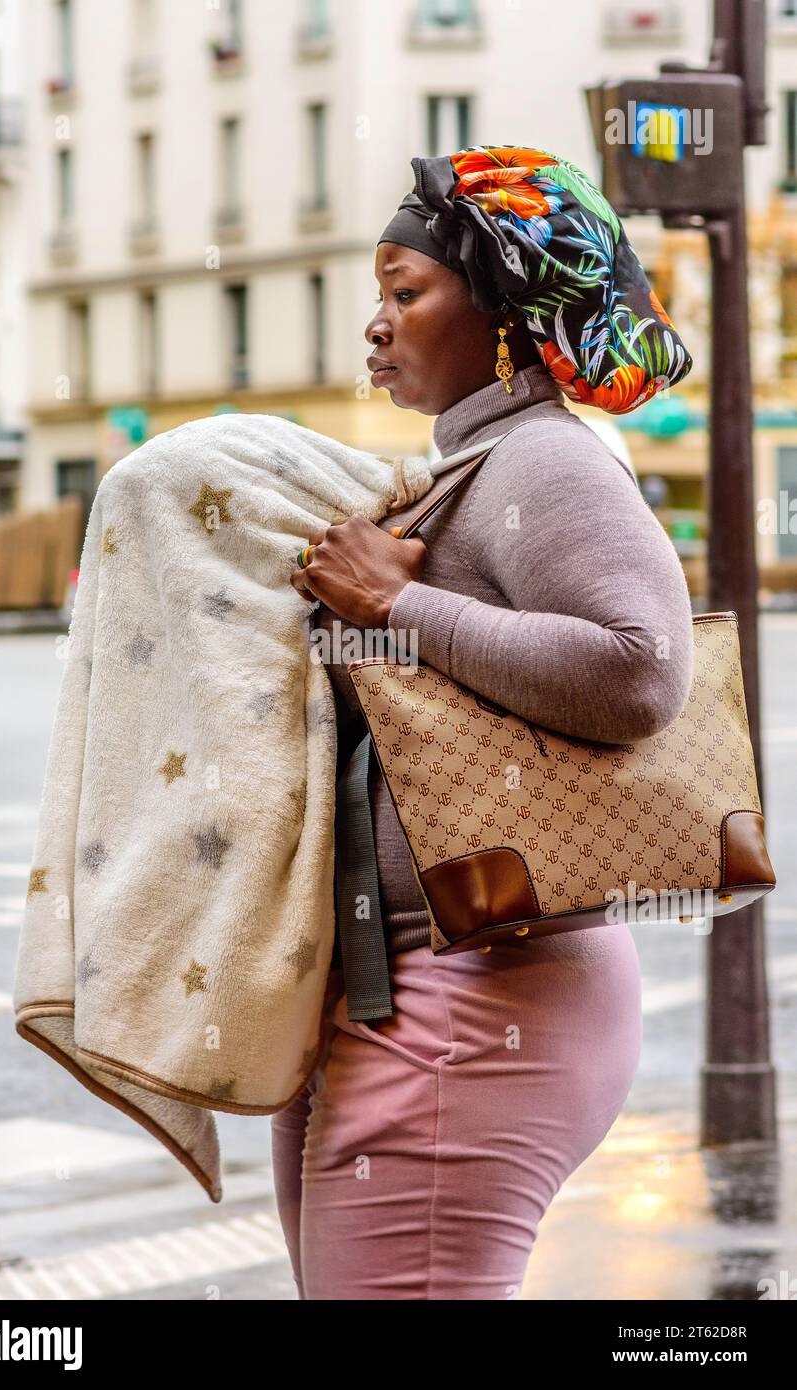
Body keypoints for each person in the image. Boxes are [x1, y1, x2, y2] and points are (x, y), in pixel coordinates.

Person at [274, 144, 695, 1300]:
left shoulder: (542, 461)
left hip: (485, 988)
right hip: (423, 982)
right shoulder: (469, 465)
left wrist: (395, 604)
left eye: (404, 291)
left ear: (503, 309)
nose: (376, 323)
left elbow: (639, 668)